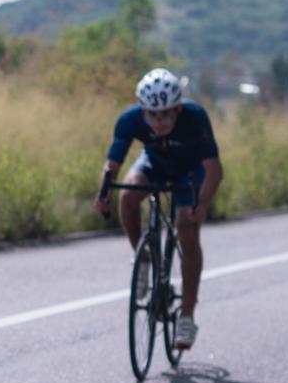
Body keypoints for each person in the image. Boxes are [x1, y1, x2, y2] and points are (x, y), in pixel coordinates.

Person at [93, 67, 223, 349]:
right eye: (152, 114)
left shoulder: (196, 118)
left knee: (187, 230)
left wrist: (201, 205)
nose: (158, 120)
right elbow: (113, 163)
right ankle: (143, 257)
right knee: (127, 196)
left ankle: (187, 316)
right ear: (143, 110)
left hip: (189, 174)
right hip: (154, 164)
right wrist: (104, 192)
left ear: (178, 109)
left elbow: (213, 170)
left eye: (165, 113)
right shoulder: (129, 120)